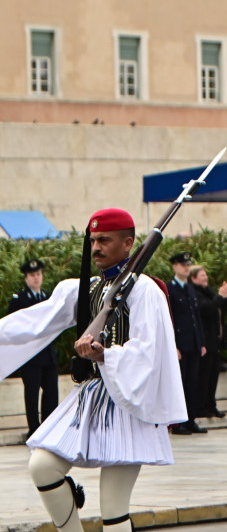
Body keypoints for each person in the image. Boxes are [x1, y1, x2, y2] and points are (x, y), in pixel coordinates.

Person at [0, 208, 185, 532]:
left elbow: (149, 351)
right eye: (94, 240)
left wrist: (105, 356)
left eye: (105, 240)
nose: (96, 247)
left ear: (128, 244)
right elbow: (35, 321)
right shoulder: (87, 288)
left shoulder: (145, 291)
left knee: (113, 509)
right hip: (92, 396)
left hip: (128, 401)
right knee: (42, 467)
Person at [6, 259, 59, 435]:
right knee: (32, 394)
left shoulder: (48, 298)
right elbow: (14, 325)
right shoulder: (19, 299)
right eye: (32, 275)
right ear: (26, 278)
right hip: (30, 356)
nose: (36, 278)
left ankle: (47, 429)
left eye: (38, 274)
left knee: (51, 393)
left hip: (47, 354)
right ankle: (34, 430)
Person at [167, 251, 207, 435]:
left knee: (192, 383)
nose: (186, 268)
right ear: (175, 266)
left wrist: (201, 342)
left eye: (188, 265)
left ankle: (191, 419)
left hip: (192, 343)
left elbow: (195, 317)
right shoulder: (170, 289)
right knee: (180, 384)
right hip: (180, 344)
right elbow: (169, 319)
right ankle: (178, 423)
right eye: (183, 265)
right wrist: (173, 345)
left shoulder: (190, 289)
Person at [189, 265, 227, 418]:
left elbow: (220, 308)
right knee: (203, 376)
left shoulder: (209, 292)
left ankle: (211, 405)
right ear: (193, 278)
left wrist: (225, 295)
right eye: (202, 275)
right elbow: (207, 309)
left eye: (205, 275)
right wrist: (220, 296)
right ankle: (201, 407)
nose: (205, 277)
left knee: (213, 375)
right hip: (204, 342)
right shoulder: (194, 293)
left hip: (215, 340)